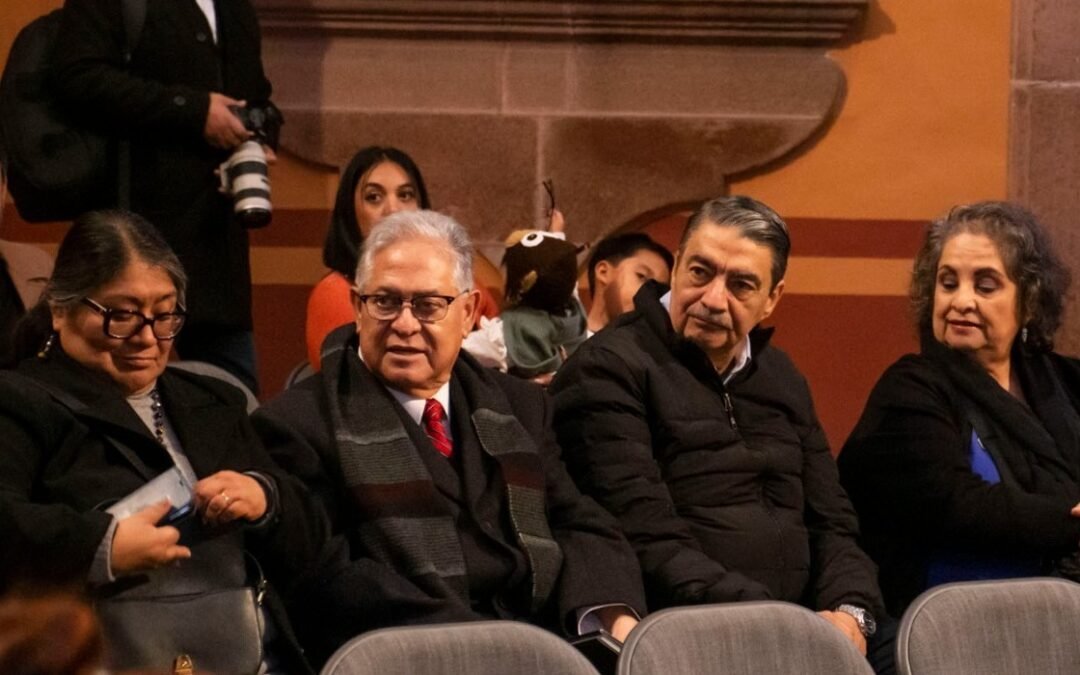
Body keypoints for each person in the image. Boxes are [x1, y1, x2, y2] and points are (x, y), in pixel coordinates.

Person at [253, 209, 646, 668]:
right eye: (385, 302)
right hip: (409, 657)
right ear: (358, 308)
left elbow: (576, 520)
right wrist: (489, 647)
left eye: (427, 305)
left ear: (468, 313)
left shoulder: (520, 405)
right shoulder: (296, 424)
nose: (404, 324)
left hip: (546, 647)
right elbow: (332, 583)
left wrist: (610, 615)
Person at [551, 196, 893, 673]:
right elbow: (645, 536)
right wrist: (783, 621)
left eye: (740, 285)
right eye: (700, 272)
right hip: (689, 630)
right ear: (675, 268)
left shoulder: (781, 375)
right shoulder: (609, 368)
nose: (713, 299)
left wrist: (849, 610)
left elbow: (833, 520)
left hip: (804, 626)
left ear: (772, 298)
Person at [0, 211, 321, 674]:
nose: (147, 338)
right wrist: (103, 546)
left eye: (165, 315)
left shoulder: (216, 401)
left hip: (244, 653)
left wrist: (265, 496)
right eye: (122, 315)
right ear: (60, 309)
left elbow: (312, 543)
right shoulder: (18, 401)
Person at [838, 201, 1080, 616]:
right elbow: (955, 504)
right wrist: (1070, 523)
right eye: (948, 283)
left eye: (985, 286)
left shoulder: (1066, 380)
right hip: (943, 624)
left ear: (1029, 301)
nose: (961, 301)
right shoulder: (909, 390)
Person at [51, 0, 282, 393]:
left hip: (217, 245)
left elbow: (256, 93)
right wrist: (195, 111)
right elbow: (77, 77)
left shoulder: (235, 7)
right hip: (131, 234)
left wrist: (260, 134)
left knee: (234, 401)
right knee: (109, 391)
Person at [306, 146, 499, 369]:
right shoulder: (334, 292)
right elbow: (349, 380)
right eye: (374, 197)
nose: (393, 210)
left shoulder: (461, 283)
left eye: (405, 195)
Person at [584, 232, 673, 335]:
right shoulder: (569, 339)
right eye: (642, 276)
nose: (650, 296)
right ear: (603, 272)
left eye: (660, 292)